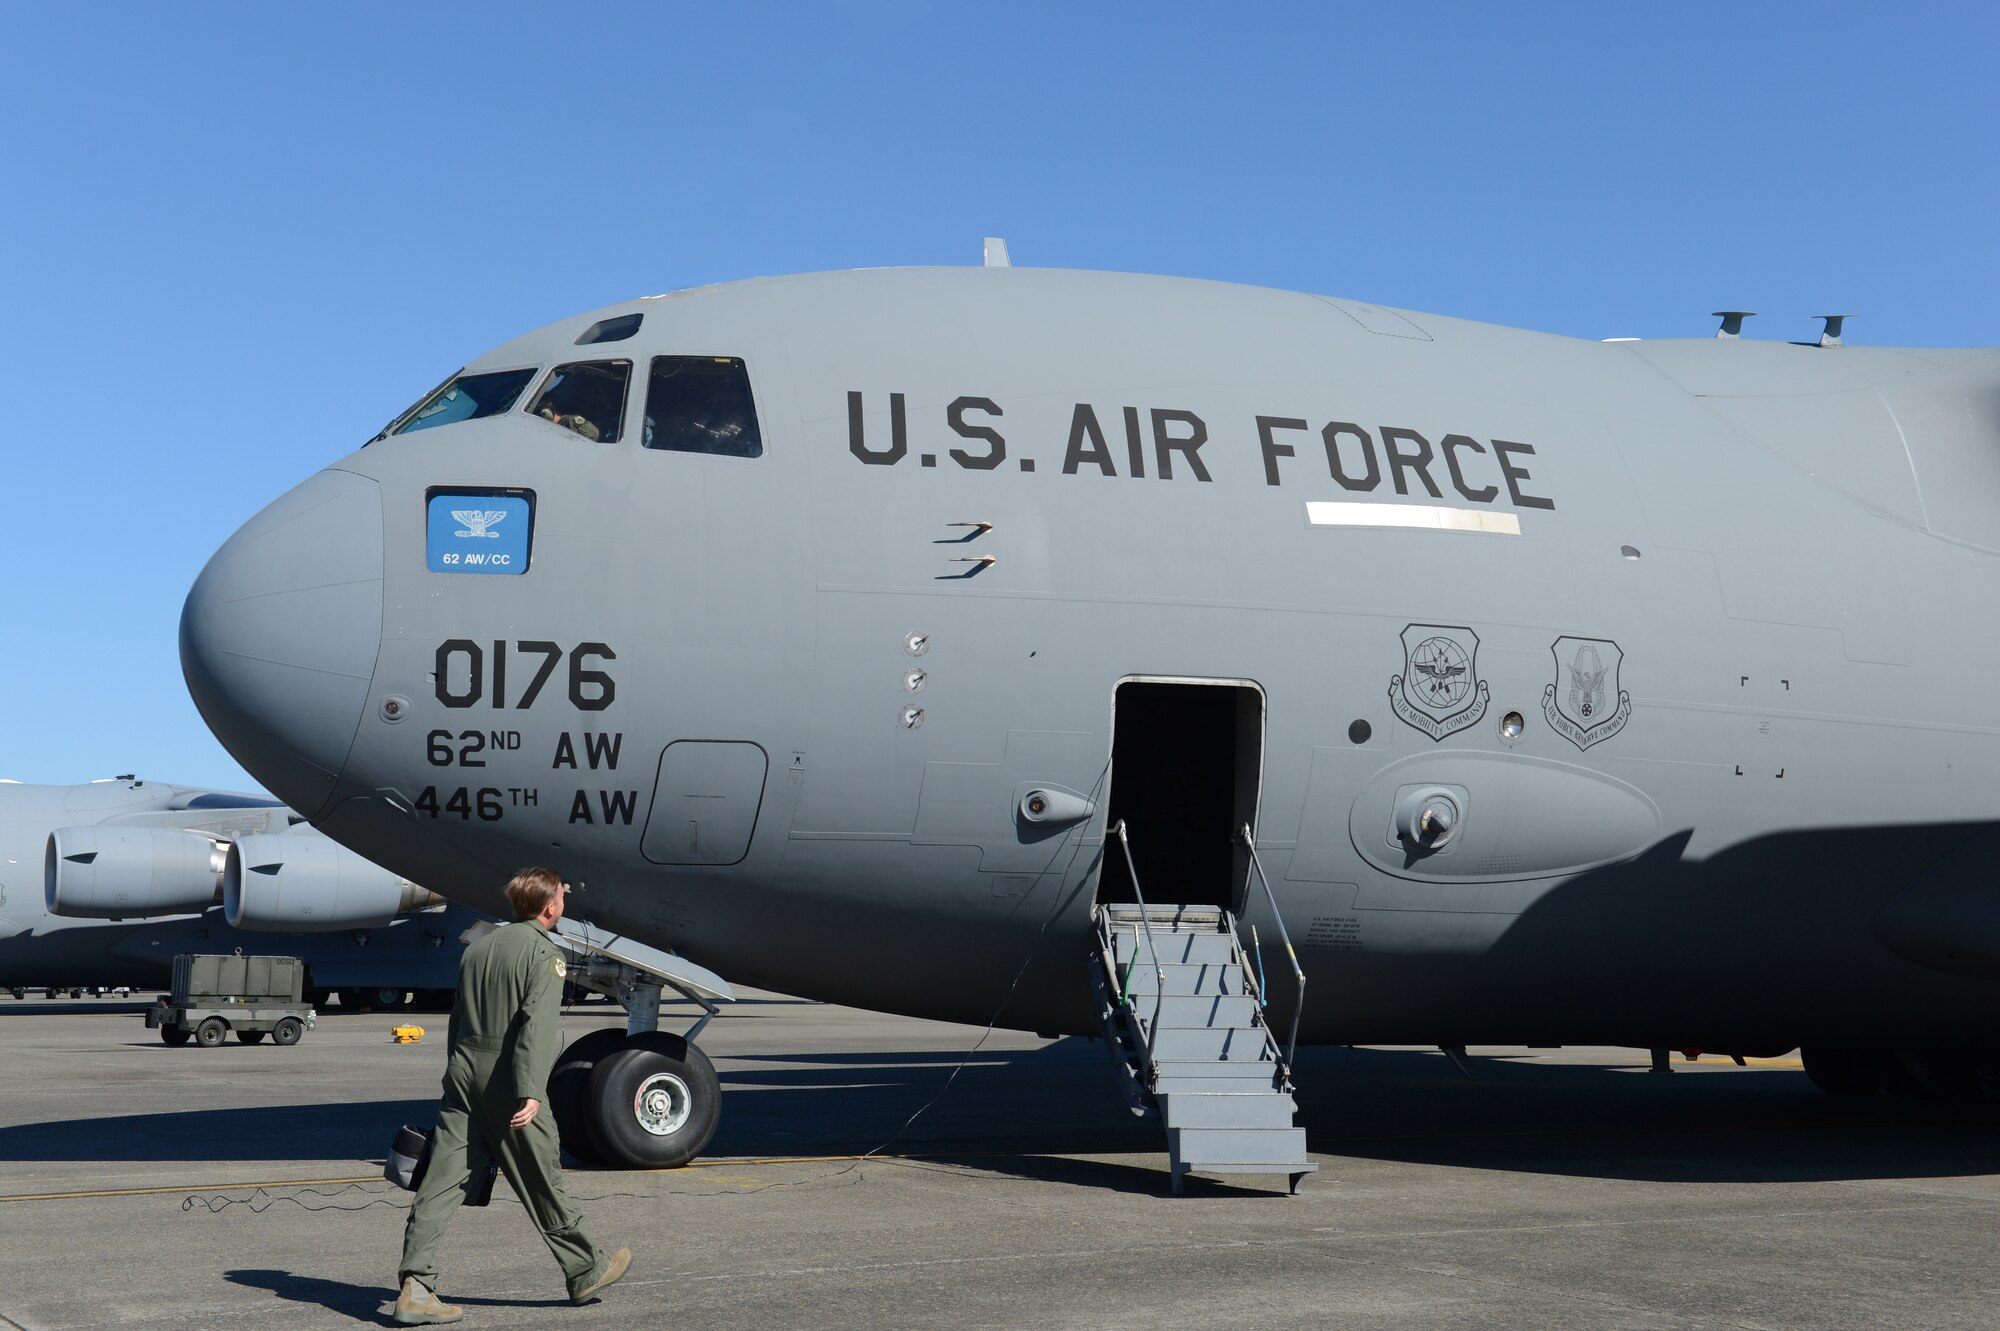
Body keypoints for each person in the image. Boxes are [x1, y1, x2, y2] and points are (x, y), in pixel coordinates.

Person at [393, 868, 630, 1325]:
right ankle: (586, 1269)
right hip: (508, 1080)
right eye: (562, 897)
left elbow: (457, 1021)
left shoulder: (479, 947)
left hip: (464, 1074)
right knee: (542, 1178)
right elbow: (535, 1030)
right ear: (550, 908)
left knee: (440, 1183)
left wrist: (455, 1077)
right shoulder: (544, 954)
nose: (565, 903)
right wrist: (531, 1091)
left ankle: (415, 1287)